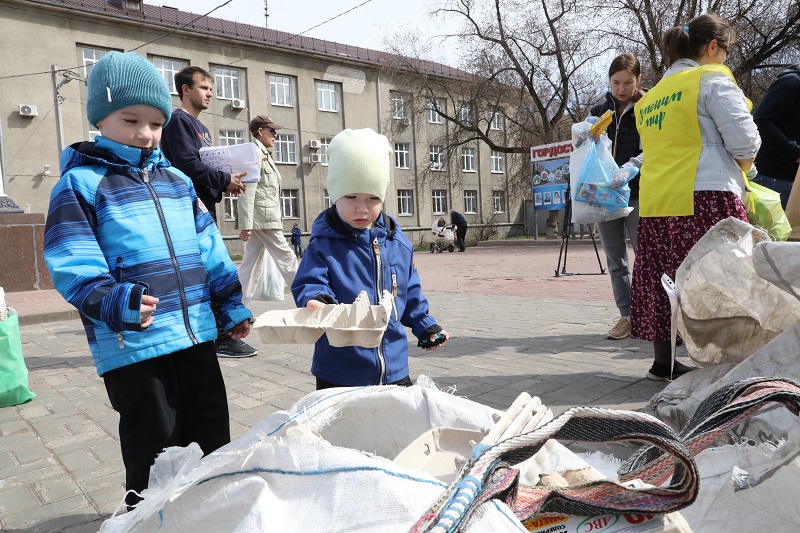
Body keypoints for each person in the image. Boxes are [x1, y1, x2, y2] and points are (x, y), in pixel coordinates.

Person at [42, 52, 253, 508]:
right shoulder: (80, 185)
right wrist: (114, 301)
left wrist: (229, 305)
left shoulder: (177, 180)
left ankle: (209, 512)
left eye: (156, 123)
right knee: (154, 445)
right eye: (131, 119)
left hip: (195, 332)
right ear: (101, 117)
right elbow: (71, 262)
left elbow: (210, 247)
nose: (145, 133)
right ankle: (149, 517)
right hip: (134, 343)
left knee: (211, 429)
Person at [631, 14, 760, 381]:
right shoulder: (711, 79)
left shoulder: (652, 97)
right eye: (726, 51)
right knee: (721, 275)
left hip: (657, 200)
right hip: (705, 193)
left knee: (662, 277)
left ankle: (664, 363)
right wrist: (746, 166)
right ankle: (726, 364)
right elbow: (745, 143)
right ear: (712, 47)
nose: (727, 60)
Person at [291, 128, 448, 389]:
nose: (362, 208)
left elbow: (410, 294)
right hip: (340, 371)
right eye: (351, 196)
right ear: (335, 193)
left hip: (395, 368)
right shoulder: (324, 244)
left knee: (396, 427)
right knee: (346, 429)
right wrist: (317, 300)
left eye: (373, 198)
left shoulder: (397, 242)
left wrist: (425, 325)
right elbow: (309, 282)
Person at [160, 66, 256, 358]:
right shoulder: (178, 122)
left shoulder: (201, 127)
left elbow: (205, 167)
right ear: (185, 89)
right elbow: (187, 165)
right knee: (207, 269)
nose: (210, 93)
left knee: (207, 268)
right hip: (186, 209)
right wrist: (224, 180)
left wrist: (225, 184)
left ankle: (214, 331)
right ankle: (220, 335)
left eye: (211, 88)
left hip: (204, 207)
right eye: (204, 87)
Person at [590, 53, 645, 341]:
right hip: (604, 194)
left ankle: (651, 315)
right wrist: (584, 134)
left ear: (639, 80)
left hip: (638, 192)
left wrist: (633, 166)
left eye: (628, 82)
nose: (621, 89)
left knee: (645, 256)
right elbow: (586, 149)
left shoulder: (649, 106)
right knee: (615, 259)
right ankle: (627, 316)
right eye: (615, 82)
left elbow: (657, 146)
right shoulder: (599, 109)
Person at [236, 115, 298, 304]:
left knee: (250, 265)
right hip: (264, 218)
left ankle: (236, 307)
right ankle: (309, 298)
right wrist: (245, 224)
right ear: (260, 131)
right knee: (288, 258)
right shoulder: (255, 153)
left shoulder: (262, 153)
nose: (276, 135)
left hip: (262, 218)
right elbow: (247, 189)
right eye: (272, 131)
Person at [752, 63, 800, 209]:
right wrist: (795, 153)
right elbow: (761, 121)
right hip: (775, 181)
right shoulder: (791, 82)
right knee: (771, 233)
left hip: (794, 182)